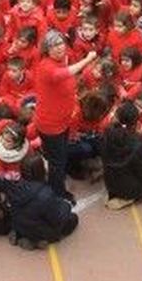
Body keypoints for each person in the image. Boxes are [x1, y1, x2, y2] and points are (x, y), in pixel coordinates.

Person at [35, 29, 97, 199]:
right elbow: (65, 73)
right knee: (57, 162)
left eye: (61, 43)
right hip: (51, 125)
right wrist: (88, 59)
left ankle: (63, 175)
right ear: (47, 50)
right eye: (54, 45)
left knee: (61, 155)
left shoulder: (62, 59)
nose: (59, 47)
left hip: (63, 121)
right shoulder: (47, 67)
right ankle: (58, 193)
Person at [101, 101, 142, 209]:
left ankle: (116, 195)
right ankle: (127, 198)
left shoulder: (107, 133)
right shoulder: (138, 143)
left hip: (109, 182)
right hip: (128, 188)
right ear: (136, 122)